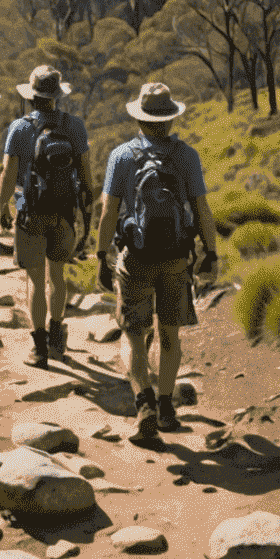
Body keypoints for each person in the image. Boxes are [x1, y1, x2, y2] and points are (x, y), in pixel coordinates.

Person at [95, 81, 219, 441]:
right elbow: (201, 208)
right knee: (170, 334)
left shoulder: (122, 155)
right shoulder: (187, 156)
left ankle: (144, 403)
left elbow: (108, 212)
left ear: (140, 118)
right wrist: (211, 253)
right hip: (177, 257)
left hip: (136, 256)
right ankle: (167, 407)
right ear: (170, 118)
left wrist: (102, 256)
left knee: (134, 335)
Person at [0, 64, 93, 370]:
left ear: (31, 96)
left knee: (36, 282)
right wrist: (86, 215)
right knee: (58, 276)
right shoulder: (75, 127)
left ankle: (39, 350)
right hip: (64, 213)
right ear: (57, 97)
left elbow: (8, 173)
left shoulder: (20, 128)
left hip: (30, 213)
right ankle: (56, 339)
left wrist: (2, 207)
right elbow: (86, 175)